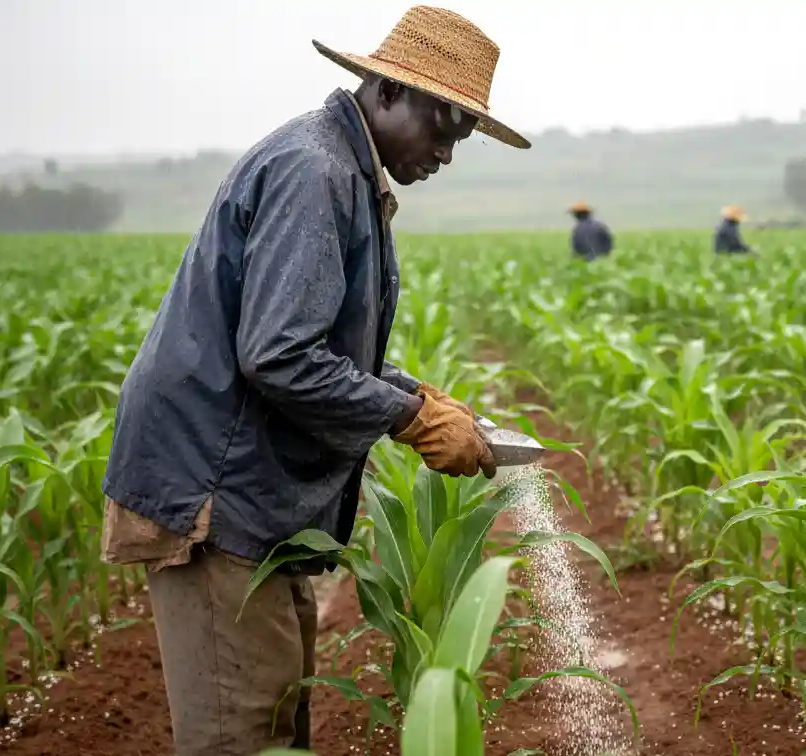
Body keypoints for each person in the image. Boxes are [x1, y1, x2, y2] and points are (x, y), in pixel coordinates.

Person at [98, 7, 529, 755]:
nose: (448, 153)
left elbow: (316, 343)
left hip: (250, 501)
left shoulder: (345, 167)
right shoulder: (317, 170)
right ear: (387, 91)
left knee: (278, 711)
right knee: (244, 730)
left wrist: (415, 394)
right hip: (215, 497)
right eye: (445, 125)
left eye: (461, 135)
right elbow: (280, 357)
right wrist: (408, 419)